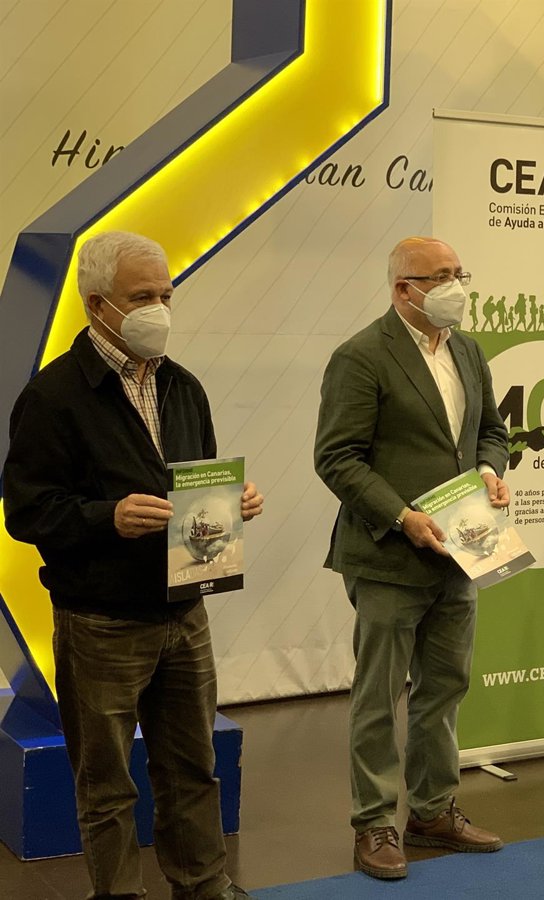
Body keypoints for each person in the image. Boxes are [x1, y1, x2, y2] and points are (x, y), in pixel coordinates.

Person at [3, 231, 263, 900]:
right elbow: (26, 513)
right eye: (143, 296)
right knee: (107, 784)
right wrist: (105, 518)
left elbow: (196, 484)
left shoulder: (183, 386)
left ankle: (203, 885)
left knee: (193, 768)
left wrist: (231, 503)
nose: (160, 309)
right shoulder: (53, 397)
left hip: (185, 610)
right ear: (98, 305)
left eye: (166, 295)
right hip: (102, 622)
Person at [314, 236, 510, 880]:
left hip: (462, 552)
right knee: (379, 696)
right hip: (387, 557)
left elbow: (491, 431)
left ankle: (431, 812)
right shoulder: (361, 356)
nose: (457, 286)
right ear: (405, 289)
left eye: (460, 273)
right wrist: (403, 516)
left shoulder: (468, 350)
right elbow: (337, 458)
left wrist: (490, 470)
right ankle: (373, 823)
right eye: (442, 276)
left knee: (445, 687)